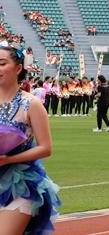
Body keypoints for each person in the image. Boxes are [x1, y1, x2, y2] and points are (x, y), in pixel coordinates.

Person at [0, 43, 61, 233]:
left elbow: (45, 148)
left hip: (19, 183)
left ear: (18, 68)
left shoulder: (31, 104)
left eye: (2, 63)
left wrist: (9, 159)